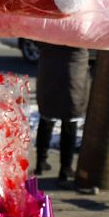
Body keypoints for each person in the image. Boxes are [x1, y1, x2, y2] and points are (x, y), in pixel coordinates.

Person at [35, 43, 90, 183]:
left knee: (47, 115)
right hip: (74, 68)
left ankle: (40, 162)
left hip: (49, 65)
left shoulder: (49, 21)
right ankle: (65, 168)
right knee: (70, 118)